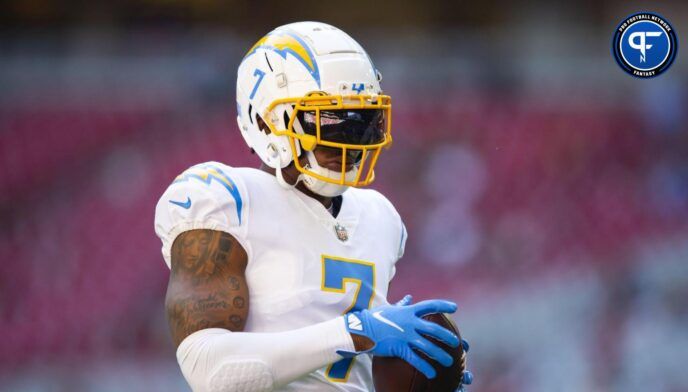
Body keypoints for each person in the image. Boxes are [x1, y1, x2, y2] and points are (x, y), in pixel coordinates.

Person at [154, 21, 473, 392]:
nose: (350, 144)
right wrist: (358, 332)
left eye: (363, 124)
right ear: (264, 121)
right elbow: (210, 371)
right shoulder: (227, 198)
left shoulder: (380, 217)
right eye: (330, 122)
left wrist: (422, 373)